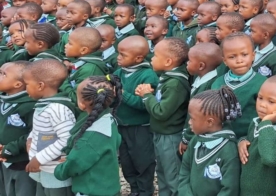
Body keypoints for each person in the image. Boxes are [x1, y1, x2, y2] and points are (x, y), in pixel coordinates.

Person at [135, 37, 191, 196]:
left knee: (173, 176)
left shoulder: (175, 83)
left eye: (155, 55)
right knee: (162, 173)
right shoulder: (167, 77)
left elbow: (161, 112)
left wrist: (147, 96)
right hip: (162, 134)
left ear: (168, 61)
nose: (151, 58)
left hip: (170, 137)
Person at [53, 75, 122, 196]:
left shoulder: (89, 138)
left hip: (92, 190)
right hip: (110, 187)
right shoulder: (110, 119)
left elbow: (75, 163)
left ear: (81, 104)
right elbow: (117, 140)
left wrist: (60, 170)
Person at [23, 60, 77, 195]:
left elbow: (66, 139)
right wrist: (30, 139)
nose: (25, 89)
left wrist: (38, 158)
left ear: (40, 85)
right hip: (44, 168)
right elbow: (40, 129)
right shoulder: (44, 104)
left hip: (56, 171)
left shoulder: (57, 109)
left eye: (27, 85)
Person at [113, 36, 158, 196]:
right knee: (126, 162)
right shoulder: (119, 72)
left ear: (138, 58)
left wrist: (121, 94)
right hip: (122, 125)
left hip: (141, 127)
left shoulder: (148, 76)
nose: (118, 57)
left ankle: (145, 191)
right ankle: (134, 190)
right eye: (118, 53)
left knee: (143, 162)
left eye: (123, 55)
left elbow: (143, 104)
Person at [238, 76, 276, 196]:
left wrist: (266, 123)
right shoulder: (257, 122)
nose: (262, 105)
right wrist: (242, 141)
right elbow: (251, 140)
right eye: (260, 98)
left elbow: (270, 158)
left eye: (271, 101)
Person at [178, 88, 241, 196]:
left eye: (192, 119)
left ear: (210, 122)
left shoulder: (228, 150)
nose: (189, 122)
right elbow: (184, 172)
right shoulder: (195, 140)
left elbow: (230, 189)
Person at [210, 32, 266, 138]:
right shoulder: (217, 83)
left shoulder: (263, 83)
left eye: (244, 55)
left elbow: (266, 118)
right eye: (232, 57)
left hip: (250, 139)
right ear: (225, 61)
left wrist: (247, 139)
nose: (239, 61)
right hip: (222, 139)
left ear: (253, 55)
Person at [0, 62, 37, 196]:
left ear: (17, 84)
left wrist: (10, 148)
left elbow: (33, 134)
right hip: (4, 161)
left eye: (3, 74)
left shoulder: (30, 105)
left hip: (22, 163)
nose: (0, 76)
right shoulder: (4, 100)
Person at [61, 27, 108, 103]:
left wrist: (61, 79)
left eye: (70, 43)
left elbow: (77, 99)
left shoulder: (90, 69)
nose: (65, 45)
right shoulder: (83, 62)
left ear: (83, 50)